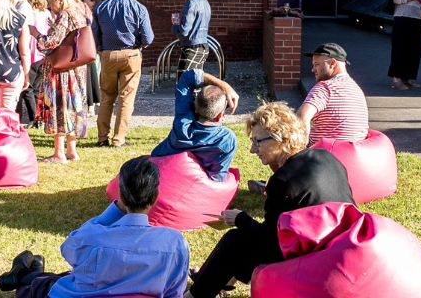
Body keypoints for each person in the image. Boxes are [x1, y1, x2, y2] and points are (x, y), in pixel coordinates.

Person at [189, 103, 354, 298]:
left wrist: (240, 218)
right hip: (344, 247)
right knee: (248, 240)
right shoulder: (327, 157)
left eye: (258, 142)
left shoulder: (282, 180)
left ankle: (194, 295)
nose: (252, 150)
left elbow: (268, 240)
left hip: (314, 259)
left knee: (235, 241)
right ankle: (227, 281)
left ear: (282, 140)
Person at [0, 157, 191, 298]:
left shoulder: (93, 236)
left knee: (41, 287)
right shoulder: (175, 243)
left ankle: (22, 275)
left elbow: (68, 250)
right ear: (155, 197)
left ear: (120, 196)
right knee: (61, 278)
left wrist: (114, 211)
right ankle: (26, 273)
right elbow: (174, 292)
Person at [92, 0, 152, 148]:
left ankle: (102, 138)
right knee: (126, 99)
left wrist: (101, 51)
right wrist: (139, 45)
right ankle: (118, 139)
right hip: (131, 54)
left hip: (108, 55)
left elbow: (95, 34)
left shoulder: (101, 7)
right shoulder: (139, 8)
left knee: (106, 96)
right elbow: (148, 38)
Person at [35, 0, 92, 164]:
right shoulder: (78, 13)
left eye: (51, 1)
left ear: (60, 0)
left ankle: (59, 154)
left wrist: (36, 35)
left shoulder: (65, 15)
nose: (50, 5)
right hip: (77, 69)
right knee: (73, 108)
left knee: (59, 107)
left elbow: (51, 42)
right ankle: (71, 151)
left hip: (62, 73)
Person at [150, 68, 238, 181]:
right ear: (219, 115)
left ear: (195, 104)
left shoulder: (182, 122)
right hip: (193, 186)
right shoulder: (226, 138)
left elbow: (187, 76)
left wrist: (223, 85)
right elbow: (217, 177)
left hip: (161, 172)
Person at [300, 43, 368, 143]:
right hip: (353, 153)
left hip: (324, 154)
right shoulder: (356, 89)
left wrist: (299, 150)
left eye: (316, 64)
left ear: (332, 63)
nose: (313, 69)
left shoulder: (325, 88)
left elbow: (301, 118)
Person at [171, 0, 212, 72]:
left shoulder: (191, 3)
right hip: (203, 46)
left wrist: (175, 26)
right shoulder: (205, 2)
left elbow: (184, 31)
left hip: (191, 49)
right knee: (196, 84)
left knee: (182, 85)